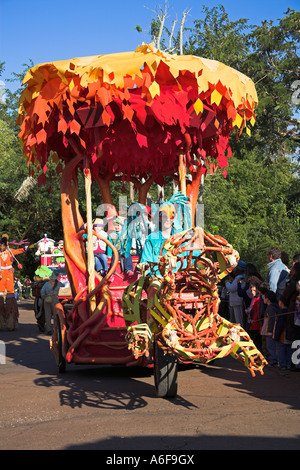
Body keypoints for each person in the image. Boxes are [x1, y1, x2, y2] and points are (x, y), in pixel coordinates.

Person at [0, 234, 25, 331]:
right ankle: (1, 322)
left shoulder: (10, 252)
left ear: (6, 246)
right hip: (1, 274)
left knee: (11, 295)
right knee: (0, 297)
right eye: (0, 246)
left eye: (3, 246)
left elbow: (19, 251)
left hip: (9, 274)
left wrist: (25, 248)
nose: (1, 248)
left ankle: (11, 322)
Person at [225, 262, 246, 327]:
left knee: (238, 321)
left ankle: (241, 336)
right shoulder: (242, 277)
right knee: (236, 320)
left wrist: (227, 282)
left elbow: (231, 288)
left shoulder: (239, 277)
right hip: (236, 302)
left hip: (237, 302)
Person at [263, 290, 280, 367]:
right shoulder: (274, 307)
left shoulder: (270, 308)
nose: (263, 299)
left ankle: (273, 361)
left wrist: (269, 331)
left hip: (270, 331)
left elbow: (271, 319)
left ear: (268, 299)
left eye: (265, 297)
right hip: (271, 330)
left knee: (271, 346)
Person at [245, 282, 262, 350]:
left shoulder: (258, 299)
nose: (252, 292)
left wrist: (248, 311)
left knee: (256, 341)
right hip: (251, 321)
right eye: (251, 290)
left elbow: (256, 311)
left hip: (255, 322)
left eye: (254, 290)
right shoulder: (253, 298)